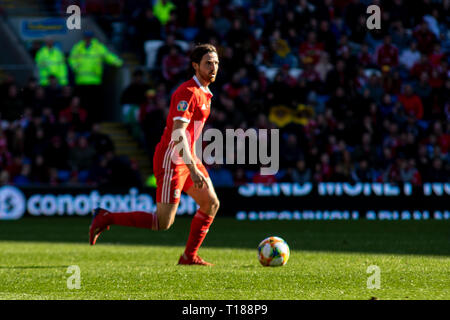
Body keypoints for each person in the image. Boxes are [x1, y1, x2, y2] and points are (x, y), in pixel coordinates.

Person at [89, 44, 220, 266]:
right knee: (162, 222)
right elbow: (178, 133)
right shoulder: (187, 93)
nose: (213, 67)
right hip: (172, 159)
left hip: (187, 157)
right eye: (208, 63)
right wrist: (192, 167)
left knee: (211, 204)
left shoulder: (205, 93)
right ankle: (106, 217)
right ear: (195, 66)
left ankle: (189, 256)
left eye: (216, 63)